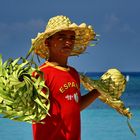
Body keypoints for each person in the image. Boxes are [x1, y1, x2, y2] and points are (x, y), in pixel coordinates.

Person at [31, 15, 100, 140]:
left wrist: (97, 92)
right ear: (48, 42)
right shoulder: (40, 74)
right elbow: (33, 111)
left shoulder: (73, 73)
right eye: (61, 37)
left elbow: (75, 106)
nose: (68, 41)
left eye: (71, 38)